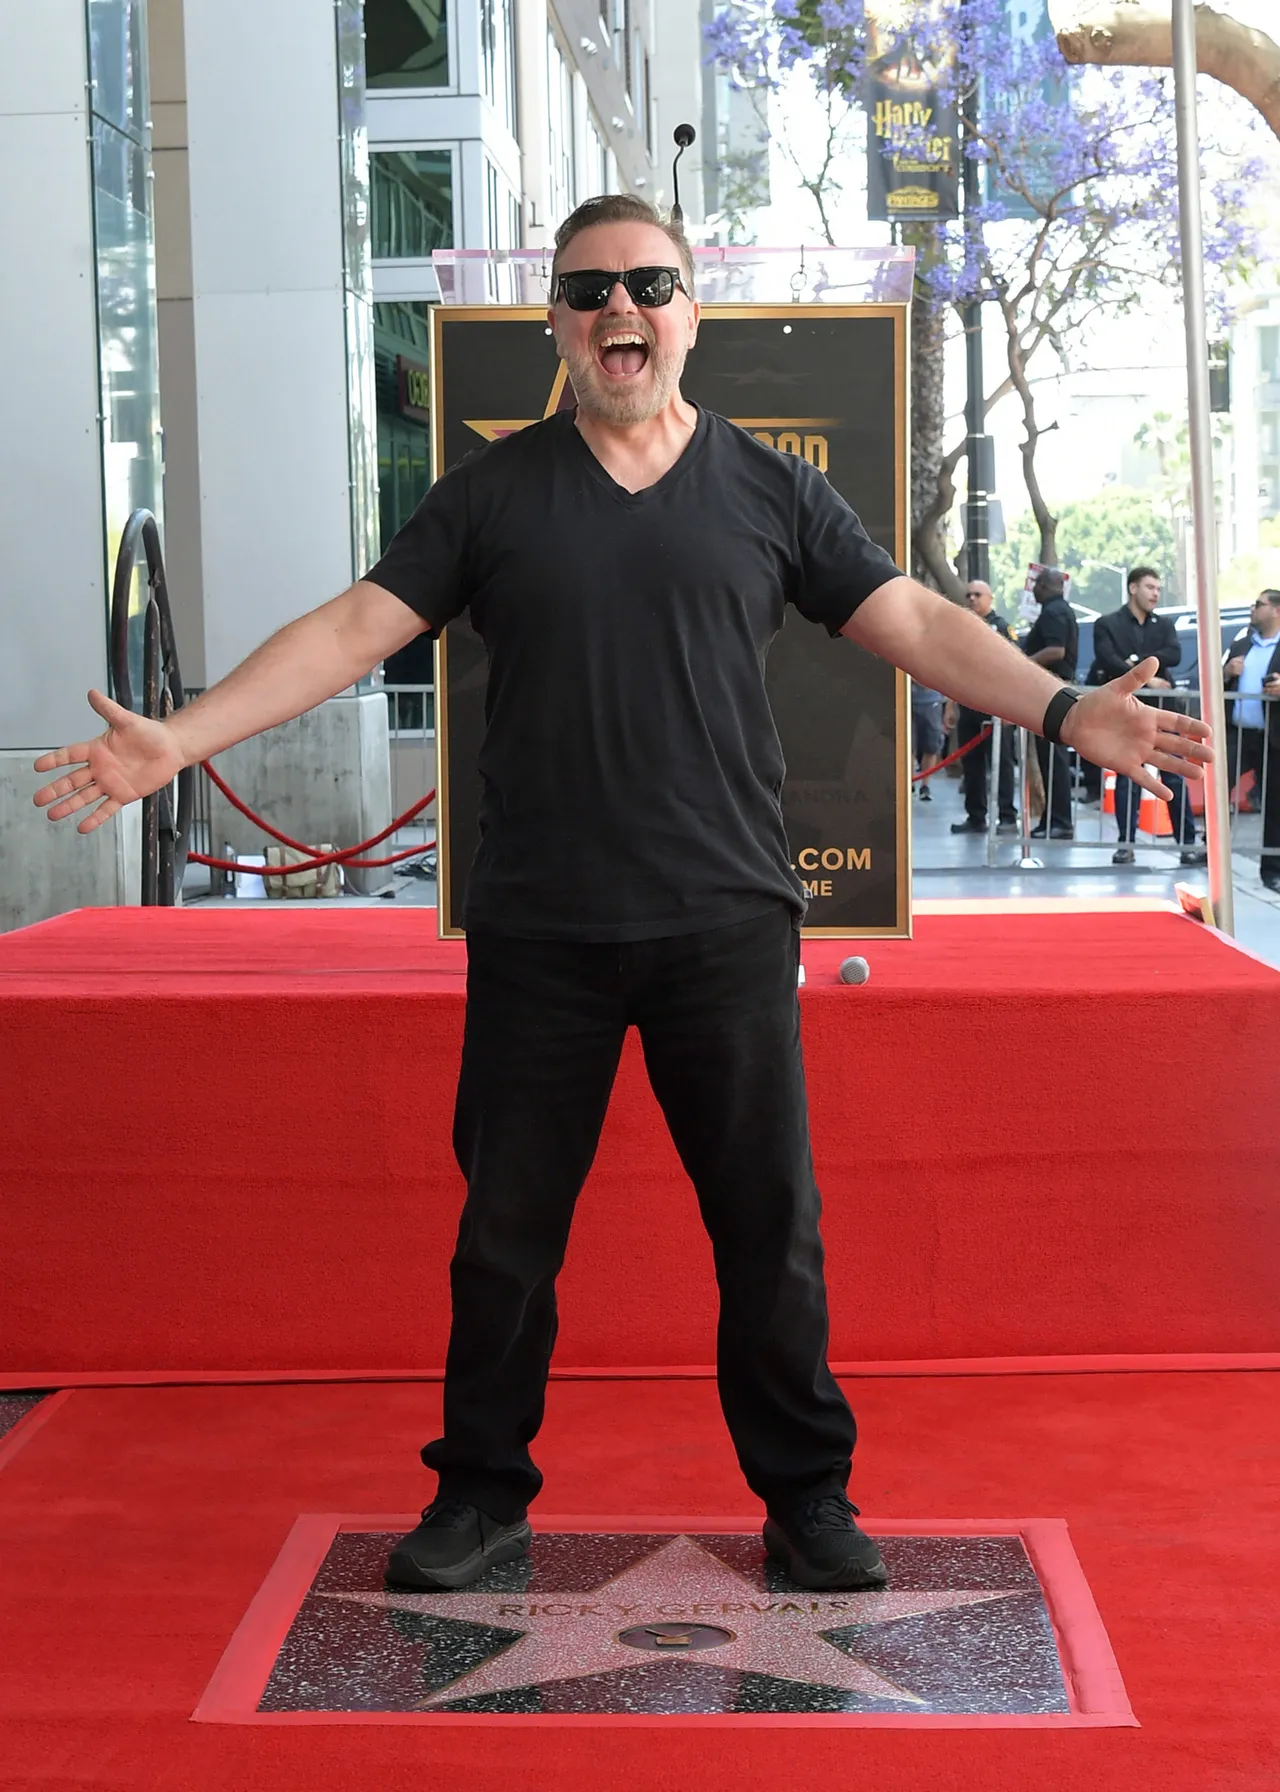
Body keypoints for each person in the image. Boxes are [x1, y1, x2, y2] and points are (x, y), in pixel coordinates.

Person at [32, 195, 1212, 1597]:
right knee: (506, 1239)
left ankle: (809, 1499)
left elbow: (915, 622)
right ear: (557, 324)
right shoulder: (494, 493)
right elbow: (355, 627)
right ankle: (479, 1496)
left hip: (726, 921)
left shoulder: (772, 490)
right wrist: (183, 735)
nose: (620, 312)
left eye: (650, 287)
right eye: (590, 292)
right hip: (541, 928)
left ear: (689, 314)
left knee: (769, 1230)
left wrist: (1065, 704)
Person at [1088, 566, 1203, 868]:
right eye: (1150, 587)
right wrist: (1146, 678)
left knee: (1173, 777)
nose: (1155, 593)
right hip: (1126, 712)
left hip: (1161, 712)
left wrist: (1137, 663)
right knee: (1129, 778)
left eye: (1158, 589)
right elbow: (1106, 657)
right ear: (1133, 588)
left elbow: (1174, 654)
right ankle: (1126, 844)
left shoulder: (1164, 625)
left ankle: (1187, 844)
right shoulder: (1107, 623)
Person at [946, 579, 1018, 835]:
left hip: (996, 708)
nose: (973, 599)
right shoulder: (964, 628)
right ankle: (976, 816)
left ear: (989, 598)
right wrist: (950, 706)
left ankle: (1008, 817)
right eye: (969, 595)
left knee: (1002, 764)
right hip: (969, 706)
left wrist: (1010, 707)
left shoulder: (1001, 627)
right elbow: (954, 670)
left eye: (978, 594)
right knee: (972, 765)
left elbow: (1014, 668)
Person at [1224, 589, 1280, 892]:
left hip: (1273, 736)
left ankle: (1272, 870)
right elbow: (1216, 677)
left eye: (1259, 604)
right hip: (1238, 733)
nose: (1253, 609)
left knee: (1274, 804)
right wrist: (1226, 671)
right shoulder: (1242, 642)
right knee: (1216, 789)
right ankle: (1212, 853)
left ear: (1276, 610)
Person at [1021, 567, 1078, 837]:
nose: (1032, 591)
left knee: (1054, 760)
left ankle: (1060, 821)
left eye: (1035, 585)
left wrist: (1023, 665)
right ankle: (1052, 818)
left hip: (1053, 692)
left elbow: (1057, 650)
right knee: (1049, 759)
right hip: (1053, 691)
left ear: (1043, 586)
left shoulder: (1054, 612)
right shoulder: (1058, 611)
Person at [911, 680, 944, 800]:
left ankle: (925, 785)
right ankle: (909, 782)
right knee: (909, 746)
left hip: (932, 701)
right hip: (908, 699)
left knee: (931, 746)